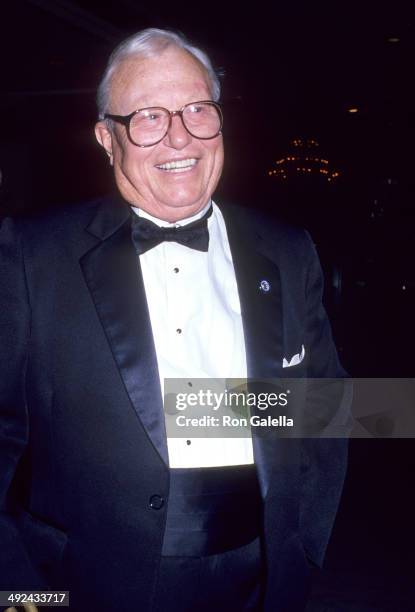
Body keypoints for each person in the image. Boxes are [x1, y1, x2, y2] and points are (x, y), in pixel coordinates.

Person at [0, 28, 349, 612]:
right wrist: (24, 599)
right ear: (107, 139)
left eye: (196, 109)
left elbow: (331, 408)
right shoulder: (31, 255)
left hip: (260, 578)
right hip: (83, 585)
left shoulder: (288, 250)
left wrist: (303, 546)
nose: (179, 136)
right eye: (148, 117)